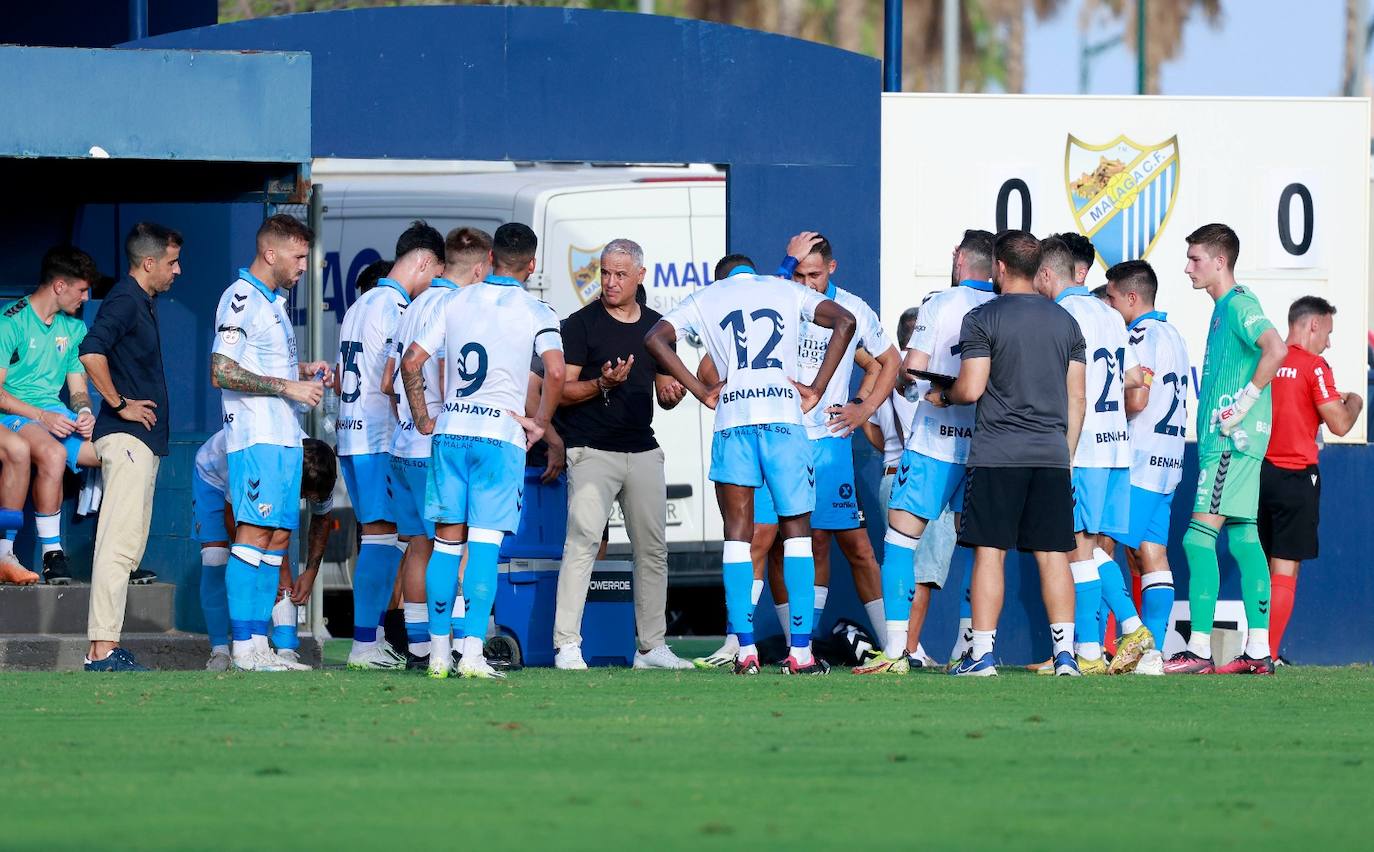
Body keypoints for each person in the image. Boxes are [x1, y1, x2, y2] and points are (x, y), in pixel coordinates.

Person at [645, 254, 856, 675]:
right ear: (752, 272)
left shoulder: (706, 297)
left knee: (738, 538)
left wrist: (703, 391)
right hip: (783, 420)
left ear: (722, 279)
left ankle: (744, 651)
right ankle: (800, 653)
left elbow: (654, 338)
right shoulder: (786, 289)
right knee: (797, 535)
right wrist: (816, 388)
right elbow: (845, 322)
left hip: (734, 422)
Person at [403, 222, 566, 680]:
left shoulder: (454, 300)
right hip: (499, 438)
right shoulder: (537, 310)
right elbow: (555, 372)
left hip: (450, 433)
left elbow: (412, 361)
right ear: (531, 265)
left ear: (490, 258)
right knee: (485, 547)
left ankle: (437, 654)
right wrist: (541, 423)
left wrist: (423, 418)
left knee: (444, 545)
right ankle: (471, 652)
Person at [929, 230, 1085, 678]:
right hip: (1052, 456)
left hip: (998, 453)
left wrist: (943, 396)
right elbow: (1078, 399)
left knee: (990, 554)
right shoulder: (1065, 322)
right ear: (1038, 269)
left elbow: (972, 387)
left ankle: (981, 656)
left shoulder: (983, 318)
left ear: (998, 268)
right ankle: (1066, 658)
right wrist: (1066, 455)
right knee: (1055, 556)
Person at [855, 229, 997, 675]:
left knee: (899, 543)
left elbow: (912, 372)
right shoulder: (1001, 308)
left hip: (936, 444)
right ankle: (978, 650)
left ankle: (897, 651)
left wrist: (911, 382)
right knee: (982, 552)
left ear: (958, 259)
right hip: (985, 448)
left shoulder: (941, 303)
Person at [753, 233, 899, 658]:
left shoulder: (852, 309)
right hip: (781, 435)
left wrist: (862, 406)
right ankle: (791, 645)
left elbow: (886, 362)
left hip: (829, 444)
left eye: (813, 274)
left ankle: (893, 646)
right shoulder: (781, 297)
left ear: (831, 269)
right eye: (798, 273)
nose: (806, 283)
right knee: (774, 539)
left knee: (855, 546)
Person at [551, 238, 693, 671]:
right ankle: (567, 646)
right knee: (582, 545)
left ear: (640, 277)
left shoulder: (656, 327)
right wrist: (602, 384)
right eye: (605, 273)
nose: (610, 283)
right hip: (592, 450)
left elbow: (668, 390)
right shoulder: (580, 324)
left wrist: (672, 392)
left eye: (619, 275)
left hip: (643, 448)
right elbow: (559, 392)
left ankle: (651, 648)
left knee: (652, 551)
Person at [1165, 223, 1288, 675]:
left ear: (1220, 262)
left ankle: (1198, 647)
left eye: (1195, 259)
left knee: (1197, 540)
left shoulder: (1239, 305)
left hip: (1231, 444)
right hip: (1237, 443)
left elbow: (1276, 349)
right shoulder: (1223, 309)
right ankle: (1258, 650)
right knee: (1244, 539)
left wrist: (1244, 403)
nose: (1187, 268)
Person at [210, 213, 330, 673]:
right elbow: (221, 369)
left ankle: (260, 643)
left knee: (278, 537)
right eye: (299, 256)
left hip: (283, 437)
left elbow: (258, 363)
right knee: (253, 534)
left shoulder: (273, 300)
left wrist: (301, 372)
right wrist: (288, 387)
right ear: (270, 253)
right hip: (255, 436)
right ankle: (242, 648)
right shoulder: (241, 297)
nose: (304, 265)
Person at [1031, 235, 1147, 675]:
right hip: (1117, 447)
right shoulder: (1111, 314)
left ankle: (1114, 639)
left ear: (1046, 274)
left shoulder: (1058, 314)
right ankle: (1102, 644)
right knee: (1094, 551)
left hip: (1082, 448)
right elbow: (1135, 377)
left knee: (1076, 551)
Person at [382, 226, 492, 669]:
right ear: (482, 267)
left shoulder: (413, 305)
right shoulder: (456, 305)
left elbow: (388, 378)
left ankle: (420, 646)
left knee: (419, 546)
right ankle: (462, 645)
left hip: (403, 444)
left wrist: (412, 419)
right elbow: (450, 374)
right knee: (456, 545)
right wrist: (434, 419)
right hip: (435, 446)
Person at [336, 220, 443, 671]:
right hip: (379, 437)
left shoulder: (360, 304)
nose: (434, 282)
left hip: (349, 434)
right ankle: (365, 644)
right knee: (387, 541)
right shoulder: (397, 306)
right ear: (422, 260)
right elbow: (392, 379)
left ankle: (372, 638)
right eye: (435, 272)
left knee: (381, 538)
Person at [76, 226, 181, 670]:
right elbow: (90, 351)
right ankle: (101, 649)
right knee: (118, 546)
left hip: (140, 442)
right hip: (127, 438)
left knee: (127, 547)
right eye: (173, 262)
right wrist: (119, 404)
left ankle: (106, 645)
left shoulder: (141, 301)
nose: (178, 270)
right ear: (149, 263)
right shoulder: (124, 298)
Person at [1261, 296, 1363, 663]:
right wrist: (1355, 401)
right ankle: (1266, 654)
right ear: (1313, 325)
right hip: (1295, 476)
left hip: (1258, 474)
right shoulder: (1314, 366)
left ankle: (1252, 649)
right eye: (1328, 333)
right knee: (1284, 567)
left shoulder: (1266, 360)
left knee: (1258, 564)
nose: (1329, 342)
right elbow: (1339, 422)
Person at [1103, 259, 1191, 676]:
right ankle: (1151, 653)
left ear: (1132, 298)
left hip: (1136, 463)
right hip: (1169, 462)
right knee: (1152, 555)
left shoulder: (1137, 335)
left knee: (1095, 547)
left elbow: (1137, 400)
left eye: (1111, 297)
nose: (1107, 303)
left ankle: (1107, 642)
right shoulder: (1174, 334)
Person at [0, 246, 103, 586]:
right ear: (59, 286)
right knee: (54, 453)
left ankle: (118, 560)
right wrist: (41, 417)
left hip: (51, 415)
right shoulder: (10, 322)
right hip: (14, 412)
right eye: (82, 289)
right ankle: (51, 553)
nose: (86, 297)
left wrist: (84, 410)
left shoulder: (73, 329)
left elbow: (77, 389)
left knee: (114, 457)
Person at [194, 430, 337, 670]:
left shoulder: (320, 469)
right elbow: (235, 523)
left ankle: (285, 649)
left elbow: (322, 519)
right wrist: (254, 559)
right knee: (215, 555)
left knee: (275, 553)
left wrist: (311, 572)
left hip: (256, 466)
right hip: (213, 474)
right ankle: (220, 652)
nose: (303, 500)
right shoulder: (268, 464)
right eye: (302, 495)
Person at [861, 304, 943, 668]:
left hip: (890, 476)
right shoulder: (934, 383)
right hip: (928, 477)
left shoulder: (888, 383)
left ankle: (906, 645)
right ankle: (908, 648)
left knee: (899, 559)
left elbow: (876, 435)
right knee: (923, 573)